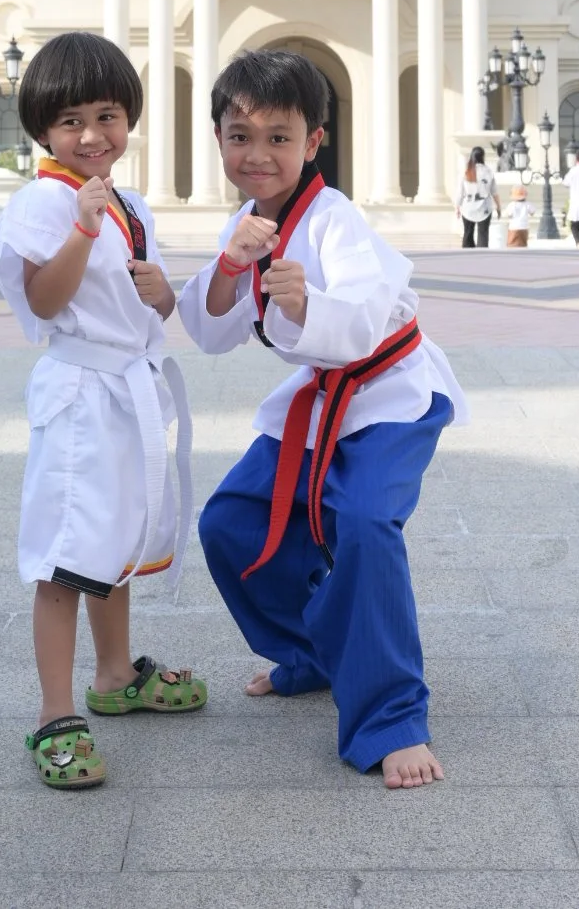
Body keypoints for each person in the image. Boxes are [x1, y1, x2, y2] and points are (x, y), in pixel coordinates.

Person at [178, 48, 469, 790]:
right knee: (230, 525)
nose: (259, 153)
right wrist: (227, 268)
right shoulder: (243, 225)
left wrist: (308, 304)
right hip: (318, 401)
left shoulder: (333, 218)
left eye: (280, 136)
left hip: (390, 393)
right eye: (240, 135)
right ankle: (312, 651)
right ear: (218, 140)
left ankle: (392, 718)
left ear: (314, 143)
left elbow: (369, 312)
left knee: (366, 523)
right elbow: (210, 332)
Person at [0, 31, 206, 790]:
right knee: (64, 557)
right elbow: (45, 301)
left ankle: (115, 676)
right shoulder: (43, 201)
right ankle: (54, 713)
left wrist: (164, 295)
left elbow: (143, 302)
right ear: (43, 127)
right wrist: (82, 228)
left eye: (108, 116)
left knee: (115, 541)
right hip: (82, 397)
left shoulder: (130, 201)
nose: (91, 135)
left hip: (128, 391)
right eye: (72, 119)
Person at [455, 145, 501, 247]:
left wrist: (457, 207)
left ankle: (467, 257)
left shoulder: (465, 172)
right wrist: (498, 207)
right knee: (483, 234)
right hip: (484, 207)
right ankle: (482, 256)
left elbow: (460, 192)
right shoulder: (488, 171)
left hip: (468, 207)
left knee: (468, 233)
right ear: (483, 157)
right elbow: (494, 192)